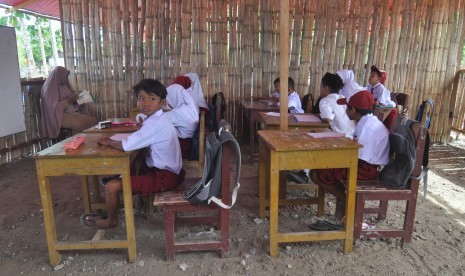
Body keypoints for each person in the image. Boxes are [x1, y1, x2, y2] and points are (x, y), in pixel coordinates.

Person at [83, 79, 184, 229]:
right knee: (132, 164)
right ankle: (119, 193)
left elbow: (126, 146)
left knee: (111, 187)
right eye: (141, 98)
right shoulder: (158, 119)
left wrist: (108, 141)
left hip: (165, 177)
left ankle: (111, 221)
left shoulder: (155, 124)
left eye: (152, 99)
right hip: (166, 171)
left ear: (162, 103)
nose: (146, 103)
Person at [310, 90, 390, 201]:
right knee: (326, 164)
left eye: (346, 108)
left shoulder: (367, 128)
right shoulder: (367, 121)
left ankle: (348, 202)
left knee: (317, 173)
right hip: (364, 164)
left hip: (366, 170)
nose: (345, 111)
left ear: (353, 110)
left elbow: (358, 157)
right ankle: (346, 201)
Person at [40, 66, 97, 139]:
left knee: (93, 120)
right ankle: (76, 144)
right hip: (59, 117)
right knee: (80, 124)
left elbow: (69, 100)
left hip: (71, 113)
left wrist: (78, 100)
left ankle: (88, 143)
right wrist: (68, 100)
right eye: (65, 77)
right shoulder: (48, 88)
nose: (66, 79)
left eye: (66, 77)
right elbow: (51, 108)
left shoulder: (62, 85)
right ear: (59, 75)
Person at [164, 84, 200, 158]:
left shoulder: (178, 113)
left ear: (174, 97)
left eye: (168, 101)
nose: (167, 104)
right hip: (192, 144)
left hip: (183, 147)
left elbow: (157, 119)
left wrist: (139, 116)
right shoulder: (189, 108)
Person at [318, 72, 356, 137]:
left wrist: (319, 116)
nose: (320, 89)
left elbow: (327, 118)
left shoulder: (324, 100)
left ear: (326, 88)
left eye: (321, 86)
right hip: (352, 135)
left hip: (341, 137)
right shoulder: (343, 98)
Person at [367, 65, 398, 129]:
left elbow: (379, 103)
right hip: (380, 108)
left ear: (379, 79)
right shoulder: (369, 87)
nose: (370, 77)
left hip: (389, 108)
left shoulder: (381, 88)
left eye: (372, 76)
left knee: (389, 128)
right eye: (370, 75)